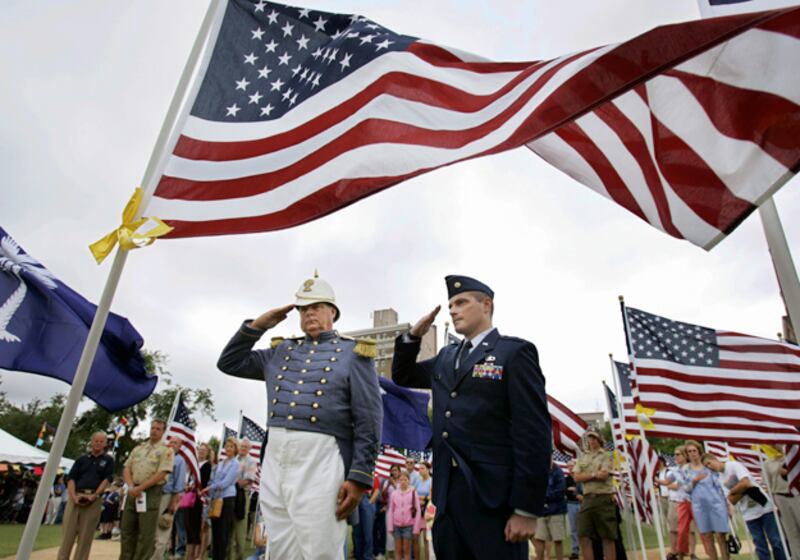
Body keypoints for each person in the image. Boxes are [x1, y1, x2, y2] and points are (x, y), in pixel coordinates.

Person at [217, 272, 383, 560]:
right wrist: (258, 326)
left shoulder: (354, 353)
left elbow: (369, 419)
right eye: (303, 308)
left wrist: (360, 477)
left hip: (321, 458)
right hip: (276, 457)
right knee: (280, 547)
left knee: (320, 548)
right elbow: (230, 362)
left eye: (316, 306)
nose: (309, 313)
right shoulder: (281, 350)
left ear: (332, 311)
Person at [393, 275, 551, 560]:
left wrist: (526, 509)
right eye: (451, 304)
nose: (453, 310)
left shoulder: (513, 353)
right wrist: (412, 337)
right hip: (448, 497)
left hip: (494, 499)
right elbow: (403, 376)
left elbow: (534, 434)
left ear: (486, 305)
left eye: (462, 302)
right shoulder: (446, 356)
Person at [703, 453, 787, 560]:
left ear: (715, 459)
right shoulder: (720, 479)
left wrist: (734, 491)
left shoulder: (733, 465)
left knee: (776, 541)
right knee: (760, 545)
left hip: (764, 507)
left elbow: (746, 482)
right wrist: (742, 489)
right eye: (706, 467)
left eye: (709, 463)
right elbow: (731, 500)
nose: (710, 467)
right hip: (748, 513)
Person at [121, 420, 175, 560]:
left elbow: (162, 473)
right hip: (133, 490)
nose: (154, 431)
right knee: (127, 530)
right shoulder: (139, 448)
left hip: (150, 492)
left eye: (158, 429)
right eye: (152, 428)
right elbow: (127, 467)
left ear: (163, 432)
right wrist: (132, 486)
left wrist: (141, 488)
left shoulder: (166, 450)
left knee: (145, 533)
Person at [57, 431, 114, 560]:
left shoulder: (108, 460)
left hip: (93, 499)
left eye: (101, 441)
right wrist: (73, 496)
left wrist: (95, 495)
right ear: (92, 442)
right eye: (96, 441)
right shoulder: (82, 459)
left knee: (85, 537)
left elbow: (106, 480)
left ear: (105, 444)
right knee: (67, 535)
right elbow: (71, 478)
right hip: (76, 496)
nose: (98, 444)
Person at [572, 431, 616, 560]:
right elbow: (576, 477)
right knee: (583, 535)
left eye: (594, 438)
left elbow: (604, 475)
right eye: (589, 438)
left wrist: (586, 475)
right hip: (587, 499)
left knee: (607, 536)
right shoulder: (583, 457)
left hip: (603, 497)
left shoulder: (607, 455)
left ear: (600, 439)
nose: (592, 440)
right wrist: (593, 474)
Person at [682, 440, 728, 560]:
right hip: (699, 507)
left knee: (720, 535)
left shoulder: (708, 467)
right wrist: (695, 480)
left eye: (694, 451)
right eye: (689, 451)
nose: (692, 453)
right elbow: (686, 489)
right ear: (687, 454)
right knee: (707, 536)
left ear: (699, 451)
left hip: (716, 504)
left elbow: (719, 486)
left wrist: (727, 505)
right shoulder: (686, 470)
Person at [202, 437, 240, 560]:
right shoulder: (221, 463)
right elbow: (214, 479)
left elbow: (227, 482)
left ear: (235, 449)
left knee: (223, 531)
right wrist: (209, 491)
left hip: (227, 498)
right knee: (216, 530)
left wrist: (211, 487)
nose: (228, 449)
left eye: (231, 447)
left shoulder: (235, 464)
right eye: (227, 446)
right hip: (215, 498)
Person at [657, 445, 696, 560]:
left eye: (678, 454)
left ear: (685, 455)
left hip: (690, 502)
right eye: (675, 454)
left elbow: (681, 485)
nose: (675, 457)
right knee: (674, 529)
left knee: (690, 530)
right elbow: (666, 483)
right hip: (675, 502)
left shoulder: (691, 468)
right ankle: (676, 554)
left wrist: (675, 485)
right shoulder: (675, 470)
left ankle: (692, 553)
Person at [152, 437, 187, 560]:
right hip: (153, 494)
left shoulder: (179, 461)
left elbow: (179, 484)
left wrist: (173, 502)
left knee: (162, 527)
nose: (172, 444)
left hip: (167, 496)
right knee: (151, 528)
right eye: (171, 442)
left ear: (179, 446)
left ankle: (157, 557)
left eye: (176, 443)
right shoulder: (160, 456)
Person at [763, 445, 800, 557]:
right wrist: (773, 504)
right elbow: (767, 486)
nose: (777, 445)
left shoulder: (795, 455)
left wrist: (788, 472)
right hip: (780, 497)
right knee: (791, 532)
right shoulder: (767, 463)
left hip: (797, 495)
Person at [230, 438, 258, 560]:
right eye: (241, 446)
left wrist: (231, 482)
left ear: (249, 449)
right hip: (230, 495)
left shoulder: (251, 461)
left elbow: (248, 480)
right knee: (229, 527)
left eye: (245, 447)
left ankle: (239, 556)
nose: (242, 448)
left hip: (242, 495)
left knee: (240, 527)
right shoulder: (234, 459)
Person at [533, 459, 567, 560]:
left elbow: (560, 490)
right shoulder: (538, 472)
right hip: (541, 511)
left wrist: (544, 496)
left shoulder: (558, 472)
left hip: (556, 510)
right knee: (539, 539)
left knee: (558, 539)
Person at [186, 442, 214, 560]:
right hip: (191, 497)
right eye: (200, 450)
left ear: (207, 453)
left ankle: (200, 554)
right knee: (191, 526)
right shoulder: (194, 465)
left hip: (202, 499)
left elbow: (205, 482)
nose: (201, 452)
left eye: (204, 450)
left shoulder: (208, 466)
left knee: (202, 527)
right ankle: (190, 554)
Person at [387, 470, 423, 560]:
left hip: (408, 526)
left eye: (405, 479)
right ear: (398, 481)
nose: (403, 482)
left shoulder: (413, 493)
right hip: (396, 526)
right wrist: (390, 527)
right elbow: (391, 510)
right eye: (401, 480)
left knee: (407, 551)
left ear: (409, 481)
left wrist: (416, 528)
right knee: (398, 551)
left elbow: (418, 511)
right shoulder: (394, 494)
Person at [414, 462, 433, 560]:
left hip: (427, 513)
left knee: (426, 539)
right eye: (419, 468)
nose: (420, 470)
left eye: (422, 468)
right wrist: (423, 498)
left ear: (428, 469)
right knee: (415, 538)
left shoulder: (431, 481)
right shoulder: (417, 481)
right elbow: (413, 494)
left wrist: (422, 498)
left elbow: (431, 497)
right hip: (417, 513)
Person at [564, 462, 582, 560]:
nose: (570, 468)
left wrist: (574, 489)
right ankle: (575, 551)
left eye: (572, 466)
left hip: (582, 504)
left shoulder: (581, 477)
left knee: (585, 528)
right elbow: (564, 491)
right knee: (574, 529)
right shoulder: (566, 479)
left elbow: (582, 490)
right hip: (571, 504)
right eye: (569, 467)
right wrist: (573, 490)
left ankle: (590, 549)